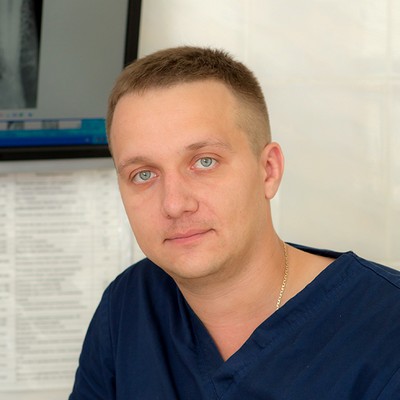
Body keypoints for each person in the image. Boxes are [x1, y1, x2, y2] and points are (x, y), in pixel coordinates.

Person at [69, 46, 400, 399]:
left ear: (268, 170)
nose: (175, 204)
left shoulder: (387, 327)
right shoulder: (128, 306)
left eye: (205, 162)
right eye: (144, 174)